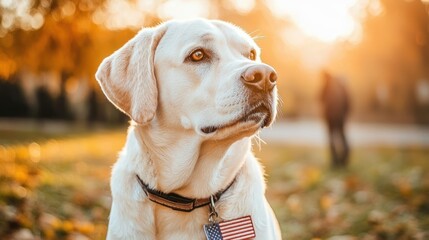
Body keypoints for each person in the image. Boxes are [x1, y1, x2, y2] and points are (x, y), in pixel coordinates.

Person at [320, 70, 350, 168]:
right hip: (340, 117)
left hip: (331, 117)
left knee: (332, 138)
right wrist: (345, 114)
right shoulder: (342, 86)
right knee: (342, 137)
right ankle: (344, 159)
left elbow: (319, 98)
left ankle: (335, 161)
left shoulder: (327, 85)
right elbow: (348, 102)